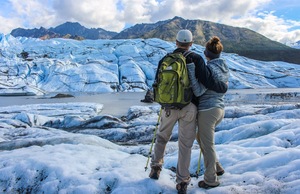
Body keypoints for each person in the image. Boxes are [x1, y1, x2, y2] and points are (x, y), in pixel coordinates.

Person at [149, 30, 228, 194]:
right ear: (191, 44)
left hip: (169, 107)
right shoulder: (196, 58)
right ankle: (182, 182)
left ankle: (156, 167)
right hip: (189, 108)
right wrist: (223, 87)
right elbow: (206, 81)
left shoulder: (166, 59)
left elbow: (157, 82)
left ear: (176, 42)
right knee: (185, 145)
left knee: (162, 137)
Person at [187, 36, 229, 189]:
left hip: (207, 111)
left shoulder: (209, 69)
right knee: (201, 139)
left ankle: (211, 180)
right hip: (219, 110)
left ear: (206, 53)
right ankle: (217, 167)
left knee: (208, 145)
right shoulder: (224, 67)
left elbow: (198, 91)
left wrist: (191, 71)